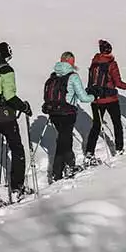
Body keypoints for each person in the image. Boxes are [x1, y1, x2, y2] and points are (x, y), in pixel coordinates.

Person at [0, 42, 33, 211]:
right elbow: (9, 96)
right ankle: (17, 188)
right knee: (17, 149)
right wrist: (23, 106)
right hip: (5, 116)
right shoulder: (5, 69)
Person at [42, 51, 93, 181]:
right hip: (67, 113)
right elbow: (83, 97)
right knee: (64, 141)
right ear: (71, 61)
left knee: (64, 139)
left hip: (54, 113)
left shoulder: (54, 75)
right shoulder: (73, 76)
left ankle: (60, 171)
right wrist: (94, 96)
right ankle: (64, 168)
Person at [83, 40, 126, 164]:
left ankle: (89, 152)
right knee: (117, 123)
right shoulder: (112, 63)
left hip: (96, 99)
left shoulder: (94, 62)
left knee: (96, 126)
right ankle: (119, 148)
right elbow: (117, 82)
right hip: (110, 99)